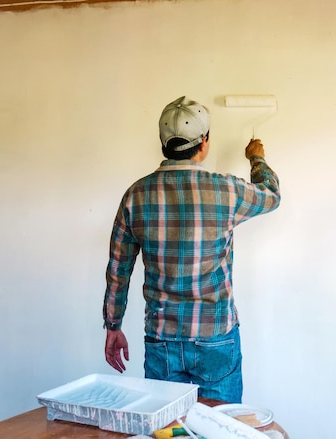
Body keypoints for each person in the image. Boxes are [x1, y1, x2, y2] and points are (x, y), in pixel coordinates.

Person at [103, 96, 280, 403]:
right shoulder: (227, 190)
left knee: (167, 430)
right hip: (215, 338)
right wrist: (257, 159)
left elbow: (118, 270)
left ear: (163, 142)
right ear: (204, 143)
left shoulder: (136, 195)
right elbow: (271, 195)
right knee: (219, 429)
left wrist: (113, 325)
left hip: (162, 340)